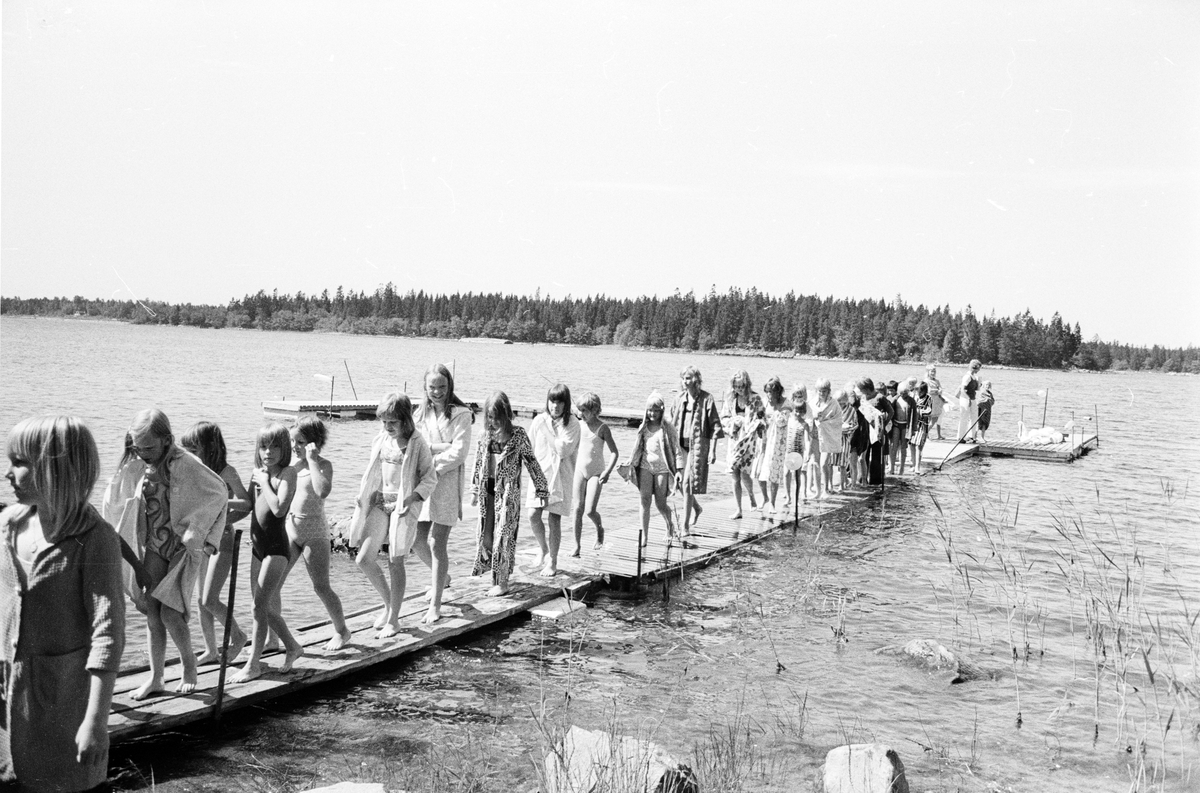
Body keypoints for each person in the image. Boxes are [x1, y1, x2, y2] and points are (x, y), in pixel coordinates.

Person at [2, 416, 125, 792]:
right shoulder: (8, 525)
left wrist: (96, 722)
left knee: (60, 783)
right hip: (7, 698)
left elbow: (107, 637)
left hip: (63, 708)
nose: (8, 473)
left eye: (20, 463)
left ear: (55, 469)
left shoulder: (96, 540)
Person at [103, 409, 226, 700]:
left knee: (171, 612)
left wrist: (204, 535)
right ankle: (156, 677)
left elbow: (218, 493)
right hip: (155, 546)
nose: (144, 453)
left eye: (149, 447)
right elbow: (115, 499)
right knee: (151, 610)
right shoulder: (137, 466)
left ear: (167, 439)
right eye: (138, 447)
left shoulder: (183, 463)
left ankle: (189, 667)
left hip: (182, 548)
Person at [348, 394, 437, 639]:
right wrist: (363, 495)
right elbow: (372, 472)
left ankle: (395, 619)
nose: (388, 427)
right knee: (364, 558)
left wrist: (413, 497)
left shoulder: (417, 443)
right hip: (380, 502)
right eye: (384, 422)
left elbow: (430, 477)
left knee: (395, 561)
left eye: (393, 422)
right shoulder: (382, 439)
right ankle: (388, 606)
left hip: (403, 506)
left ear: (405, 420)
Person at [231, 424, 304, 683]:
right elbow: (252, 508)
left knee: (258, 606)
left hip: (276, 549)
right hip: (257, 548)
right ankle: (292, 646)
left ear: (284, 448)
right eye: (263, 446)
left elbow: (279, 509)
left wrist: (264, 482)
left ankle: (254, 665)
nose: (268, 452)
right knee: (261, 608)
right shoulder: (258, 474)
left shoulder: (288, 473)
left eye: (274, 446)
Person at [179, 421, 251, 665]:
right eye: (186, 449)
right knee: (201, 602)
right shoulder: (194, 473)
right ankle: (211, 649)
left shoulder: (226, 472)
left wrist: (223, 505)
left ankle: (238, 636)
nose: (189, 454)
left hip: (223, 541)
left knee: (210, 599)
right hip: (199, 540)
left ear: (210, 447)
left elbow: (246, 503)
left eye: (193, 448)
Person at [470, 392, 548, 596]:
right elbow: (478, 463)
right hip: (487, 492)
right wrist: (474, 489)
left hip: (508, 494)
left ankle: (502, 581)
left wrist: (541, 488)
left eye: (497, 417)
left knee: (504, 536)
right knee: (485, 537)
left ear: (506, 415)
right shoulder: (484, 435)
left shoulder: (518, 435)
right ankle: (490, 573)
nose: (493, 422)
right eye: (489, 417)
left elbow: (532, 462)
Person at [413, 363, 473, 624]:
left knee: (438, 542)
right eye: (432, 387)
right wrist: (438, 447)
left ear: (450, 387)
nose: (437, 392)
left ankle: (436, 603)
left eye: (442, 387)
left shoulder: (462, 414)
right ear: (425, 388)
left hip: (446, 483)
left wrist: (431, 461)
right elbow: (416, 445)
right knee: (416, 539)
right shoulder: (418, 414)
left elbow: (458, 452)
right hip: (423, 482)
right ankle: (443, 578)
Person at [286, 417, 352, 650]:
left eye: (301, 442)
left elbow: (321, 491)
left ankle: (342, 631)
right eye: (292, 441)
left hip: (315, 533)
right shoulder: (291, 465)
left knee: (321, 586)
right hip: (291, 530)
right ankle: (273, 637)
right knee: (272, 585)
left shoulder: (323, 465)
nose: (295, 446)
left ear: (314, 443)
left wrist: (312, 460)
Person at [527, 384, 580, 576]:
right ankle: (543, 549)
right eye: (552, 401)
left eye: (559, 402)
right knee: (533, 514)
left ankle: (553, 561)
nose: (555, 406)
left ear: (566, 404)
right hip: (540, 475)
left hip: (560, 476)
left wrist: (547, 431)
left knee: (553, 518)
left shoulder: (572, 423)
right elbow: (530, 447)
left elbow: (563, 450)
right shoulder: (539, 420)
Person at [668, 366, 724, 533]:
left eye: (689, 378)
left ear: (697, 380)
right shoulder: (679, 398)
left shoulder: (707, 399)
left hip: (697, 446)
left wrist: (713, 450)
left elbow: (715, 425)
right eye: (684, 378)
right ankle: (697, 508)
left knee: (687, 484)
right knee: (677, 482)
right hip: (680, 445)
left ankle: (684, 526)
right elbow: (671, 421)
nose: (686, 381)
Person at [626, 392, 680, 546]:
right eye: (650, 410)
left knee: (660, 503)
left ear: (661, 411)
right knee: (644, 500)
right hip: (645, 466)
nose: (652, 413)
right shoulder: (643, 427)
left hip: (662, 468)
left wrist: (679, 470)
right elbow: (637, 447)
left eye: (656, 410)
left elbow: (676, 449)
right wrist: (630, 462)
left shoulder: (667, 428)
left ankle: (670, 526)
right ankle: (644, 537)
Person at [571, 393, 619, 555]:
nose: (580, 414)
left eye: (584, 411)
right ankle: (577, 546)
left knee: (590, 510)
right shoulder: (577, 425)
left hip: (596, 473)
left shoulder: (603, 428)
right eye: (579, 410)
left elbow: (614, 453)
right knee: (577, 508)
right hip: (579, 470)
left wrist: (607, 471)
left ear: (594, 410)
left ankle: (600, 530)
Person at [721, 371, 763, 519]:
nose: (739, 389)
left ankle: (751, 496)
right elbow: (724, 418)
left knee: (745, 474)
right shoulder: (730, 399)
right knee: (734, 474)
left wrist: (748, 422)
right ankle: (738, 509)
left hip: (749, 442)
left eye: (741, 386)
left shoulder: (755, 399)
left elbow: (762, 419)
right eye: (736, 386)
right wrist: (734, 422)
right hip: (734, 440)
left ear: (747, 384)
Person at [752, 377, 790, 515]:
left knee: (773, 474)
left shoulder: (785, 403)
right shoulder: (764, 403)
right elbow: (758, 417)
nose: (769, 395)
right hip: (763, 441)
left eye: (771, 392)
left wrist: (774, 414)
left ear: (778, 392)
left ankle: (772, 503)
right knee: (759, 472)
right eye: (767, 392)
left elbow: (782, 421)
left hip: (777, 444)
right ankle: (765, 497)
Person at [855, 378, 893, 487]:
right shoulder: (862, 397)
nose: (860, 391)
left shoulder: (879, 397)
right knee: (863, 456)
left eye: (861, 389)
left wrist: (884, 424)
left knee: (876, 456)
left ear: (867, 388)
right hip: (865, 431)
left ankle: (875, 481)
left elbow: (890, 411)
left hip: (877, 431)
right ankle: (862, 479)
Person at [786, 384, 817, 504]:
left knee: (802, 469)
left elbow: (809, 422)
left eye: (801, 395)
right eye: (796, 395)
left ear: (804, 395)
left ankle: (803, 492)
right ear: (793, 395)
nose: (799, 398)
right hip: (791, 441)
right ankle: (788, 494)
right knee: (788, 470)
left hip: (803, 438)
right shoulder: (790, 405)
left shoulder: (807, 407)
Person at [813, 379, 843, 497]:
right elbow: (808, 416)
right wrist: (815, 417)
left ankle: (825, 489)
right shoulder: (813, 402)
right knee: (813, 462)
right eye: (820, 391)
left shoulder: (834, 403)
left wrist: (824, 422)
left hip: (828, 436)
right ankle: (816, 489)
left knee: (824, 463)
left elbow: (838, 420)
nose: (821, 393)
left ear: (829, 391)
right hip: (815, 436)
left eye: (824, 391)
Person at [957, 360, 983, 443]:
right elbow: (963, 389)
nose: (978, 370)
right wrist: (968, 399)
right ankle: (960, 436)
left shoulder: (974, 377)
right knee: (964, 417)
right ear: (973, 368)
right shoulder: (967, 377)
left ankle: (971, 435)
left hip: (972, 398)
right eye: (977, 368)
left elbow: (977, 389)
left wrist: (979, 383)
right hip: (965, 398)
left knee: (974, 417)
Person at [924, 363, 951, 440]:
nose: (933, 373)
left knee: (935, 419)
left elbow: (941, 389)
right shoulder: (926, 381)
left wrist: (939, 391)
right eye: (932, 371)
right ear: (928, 372)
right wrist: (937, 390)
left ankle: (925, 433)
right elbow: (929, 391)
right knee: (929, 419)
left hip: (937, 401)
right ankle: (926, 434)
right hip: (929, 400)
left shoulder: (937, 381)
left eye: (934, 371)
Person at [911, 382, 934, 470]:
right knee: (912, 444)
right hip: (913, 425)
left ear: (924, 391)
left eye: (920, 391)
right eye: (917, 391)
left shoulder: (929, 398)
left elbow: (929, 411)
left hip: (922, 425)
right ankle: (913, 464)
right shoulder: (913, 396)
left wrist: (918, 411)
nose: (918, 393)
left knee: (919, 446)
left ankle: (917, 467)